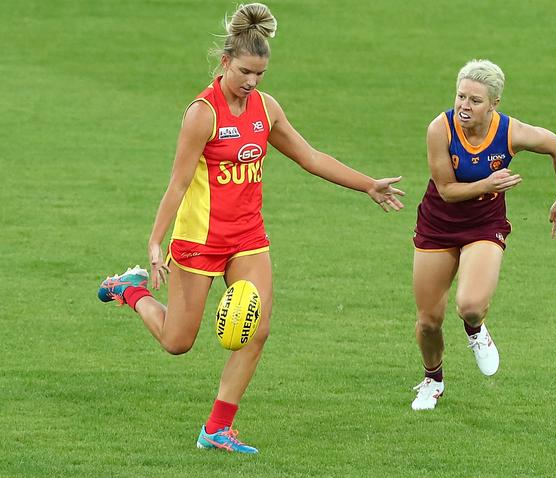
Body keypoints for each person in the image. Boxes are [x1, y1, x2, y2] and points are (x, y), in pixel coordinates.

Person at [97, 2, 404, 453]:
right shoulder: (203, 114)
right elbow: (178, 183)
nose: (252, 82)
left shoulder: (265, 108)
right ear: (224, 62)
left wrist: (367, 185)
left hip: (247, 238)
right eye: (244, 71)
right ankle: (129, 291)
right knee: (178, 342)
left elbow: (310, 157)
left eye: (260, 74)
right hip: (200, 238)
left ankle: (217, 428)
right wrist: (155, 242)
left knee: (256, 329)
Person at [411, 59, 556, 410]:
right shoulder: (440, 129)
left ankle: (475, 330)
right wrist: (489, 183)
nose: (464, 107)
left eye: (475, 100)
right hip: (437, 224)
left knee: (470, 307)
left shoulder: (510, 133)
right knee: (428, 321)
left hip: (484, 225)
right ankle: (432, 380)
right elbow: (446, 189)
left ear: (494, 104)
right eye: (460, 96)